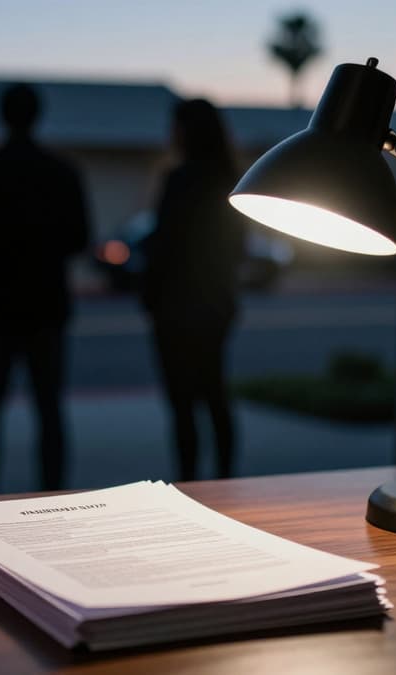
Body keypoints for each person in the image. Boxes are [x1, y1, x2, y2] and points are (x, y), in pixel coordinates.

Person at [0, 83, 91, 495]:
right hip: (46, 307)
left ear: (2, 116)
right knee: (49, 411)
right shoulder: (63, 172)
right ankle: (53, 499)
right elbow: (80, 238)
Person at [141, 98, 246, 481]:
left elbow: (163, 246)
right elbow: (238, 248)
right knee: (215, 396)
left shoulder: (180, 179)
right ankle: (225, 481)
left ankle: (189, 484)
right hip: (215, 303)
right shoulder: (231, 181)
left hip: (176, 306)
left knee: (183, 405)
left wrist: (149, 297)